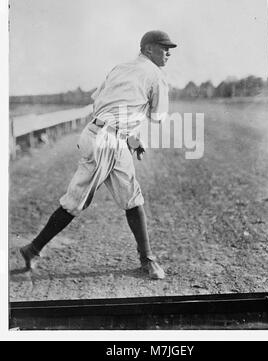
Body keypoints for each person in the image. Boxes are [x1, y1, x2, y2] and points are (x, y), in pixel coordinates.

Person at [20, 30, 177, 280]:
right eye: (164, 48)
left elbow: (100, 103)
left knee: (132, 197)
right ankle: (33, 248)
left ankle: (148, 258)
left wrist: (129, 137)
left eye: (170, 49)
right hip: (105, 141)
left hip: (105, 135)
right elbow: (157, 117)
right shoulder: (156, 75)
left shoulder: (119, 68)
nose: (168, 53)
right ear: (148, 49)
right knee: (76, 201)